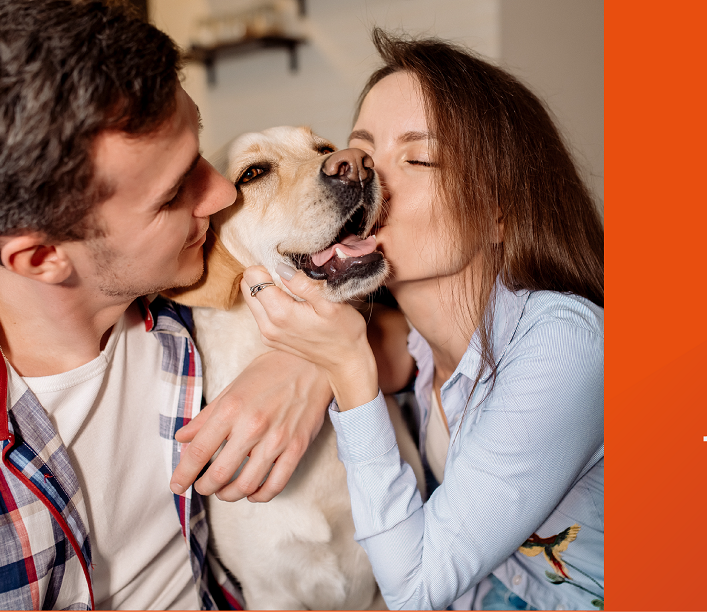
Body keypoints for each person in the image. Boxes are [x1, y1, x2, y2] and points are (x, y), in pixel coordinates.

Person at [0, 0, 332, 609]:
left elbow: (394, 334)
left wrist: (306, 363)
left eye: (199, 151)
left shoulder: (184, 294)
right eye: (172, 195)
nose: (221, 195)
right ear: (40, 257)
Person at [241, 30, 605, 610]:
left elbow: (418, 588)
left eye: (419, 157)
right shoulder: (416, 344)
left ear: (499, 212)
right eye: (360, 153)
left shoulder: (565, 343)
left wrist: (346, 367)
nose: (359, 175)